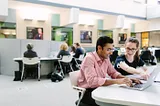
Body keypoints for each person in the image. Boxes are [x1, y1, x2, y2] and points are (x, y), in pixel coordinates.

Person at [77, 36, 140, 106]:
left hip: (99, 88)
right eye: (108, 49)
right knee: (115, 102)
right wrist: (117, 81)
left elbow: (113, 72)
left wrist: (126, 79)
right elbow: (92, 81)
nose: (111, 53)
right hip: (88, 92)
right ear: (99, 48)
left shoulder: (106, 58)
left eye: (111, 49)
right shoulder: (89, 58)